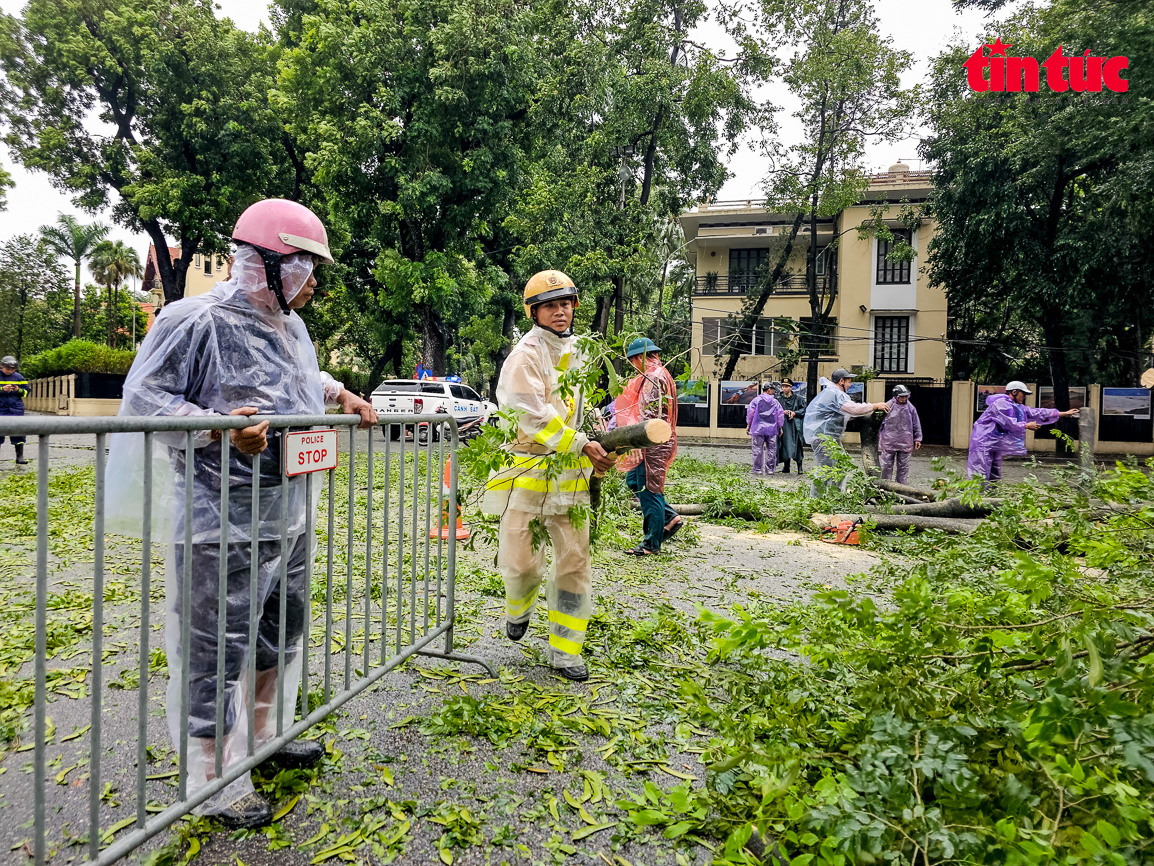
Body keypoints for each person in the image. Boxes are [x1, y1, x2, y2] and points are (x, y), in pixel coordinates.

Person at [106, 200, 377, 828]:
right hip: (218, 519)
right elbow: (146, 398)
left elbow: (298, 381)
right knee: (215, 650)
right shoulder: (191, 320)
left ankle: (258, 745)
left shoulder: (290, 327)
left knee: (276, 635)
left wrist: (342, 394)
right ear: (267, 262)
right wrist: (216, 430)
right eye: (306, 265)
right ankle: (211, 778)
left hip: (286, 513)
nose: (313, 281)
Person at [481, 270, 616, 682]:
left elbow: (585, 407)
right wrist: (580, 444)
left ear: (574, 306)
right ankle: (518, 608)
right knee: (522, 563)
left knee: (575, 563)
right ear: (534, 311)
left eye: (565, 303)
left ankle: (566, 651)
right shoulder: (525, 355)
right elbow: (530, 414)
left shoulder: (582, 352)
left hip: (571, 477)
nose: (560, 311)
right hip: (527, 471)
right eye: (550, 305)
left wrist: (600, 445)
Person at [618, 338, 681, 555]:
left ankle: (651, 544)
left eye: (633, 361)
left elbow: (647, 413)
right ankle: (670, 517)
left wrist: (633, 439)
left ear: (639, 358)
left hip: (652, 441)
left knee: (649, 488)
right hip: (658, 439)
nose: (634, 366)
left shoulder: (654, 376)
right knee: (633, 479)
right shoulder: (661, 374)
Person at [968, 380, 1077, 484]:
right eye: (1023, 393)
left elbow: (1037, 413)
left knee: (994, 472)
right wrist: (1025, 425)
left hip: (994, 443)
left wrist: (1062, 414)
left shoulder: (1018, 407)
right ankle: (976, 499)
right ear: (1014, 392)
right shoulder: (1000, 404)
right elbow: (1007, 422)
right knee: (980, 472)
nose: (1024, 396)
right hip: (983, 442)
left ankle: (990, 496)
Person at [803, 368, 890, 497]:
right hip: (823, 437)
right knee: (826, 469)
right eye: (849, 381)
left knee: (841, 466)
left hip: (829, 437)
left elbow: (845, 414)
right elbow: (853, 409)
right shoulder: (834, 393)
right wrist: (874, 406)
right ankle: (816, 500)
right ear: (841, 381)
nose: (850, 385)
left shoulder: (832, 392)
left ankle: (836, 496)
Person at [877, 384, 922, 484]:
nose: (904, 398)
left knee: (904, 467)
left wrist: (918, 438)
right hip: (889, 442)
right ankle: (885, 486)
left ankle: (901, 489)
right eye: (902, 396)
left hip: (905, 441)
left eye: (906, 396)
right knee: (886, 467)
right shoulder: (888, 406)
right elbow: (880, 423)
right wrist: (878, 437)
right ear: (896, 396)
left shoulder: (910, 408)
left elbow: (916, 423)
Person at [745, 382, 784, 476]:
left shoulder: (756, 400)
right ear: (769, 390)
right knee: (771, 449)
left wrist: (748, 425)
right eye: (772, 389)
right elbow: (780, 415)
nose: (773, 391)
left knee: (757, 449)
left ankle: (758, 469)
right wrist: (780, 427)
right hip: (772, 429)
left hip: (757, 428)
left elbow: (750, 413)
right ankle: (770, 469)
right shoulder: (775, 402)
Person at [0, 356, 29, 464]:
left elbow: (26, 392)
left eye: (12, 369)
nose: (10, 371)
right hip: (1, 408)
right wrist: (2, 389)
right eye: (8, 369)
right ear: (2, 366)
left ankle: (19, 457)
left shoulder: (19, 377)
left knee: (19, 432)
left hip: (16, 409)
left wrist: (18, 390)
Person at [777, 377, 805, 474]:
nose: (784, 388)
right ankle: (786, 466)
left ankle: (800, 467)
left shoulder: (798, 399)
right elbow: (775, 411)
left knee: (797, 445)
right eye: (783, 386)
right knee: (784, 445)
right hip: (784, 425)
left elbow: (803, 410)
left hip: (795, 426)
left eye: (787, 386)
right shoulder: (779, 399)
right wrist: (782, 412)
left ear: (791, 387)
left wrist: (795, 413)